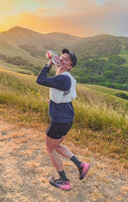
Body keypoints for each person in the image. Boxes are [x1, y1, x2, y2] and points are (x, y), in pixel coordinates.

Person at [36, 49, 90, 191]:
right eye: (62, 57)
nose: (62, 59)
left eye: (66, 60)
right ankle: (81, 165)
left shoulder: (62, 78)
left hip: (59, 121)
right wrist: (53, 101)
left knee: (50, 148)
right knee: (57, 145)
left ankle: (64, 181)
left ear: (70, 66)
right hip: (67, 119)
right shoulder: (69, 78)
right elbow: (69, 95)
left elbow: (40, 80)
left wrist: (49, 64)